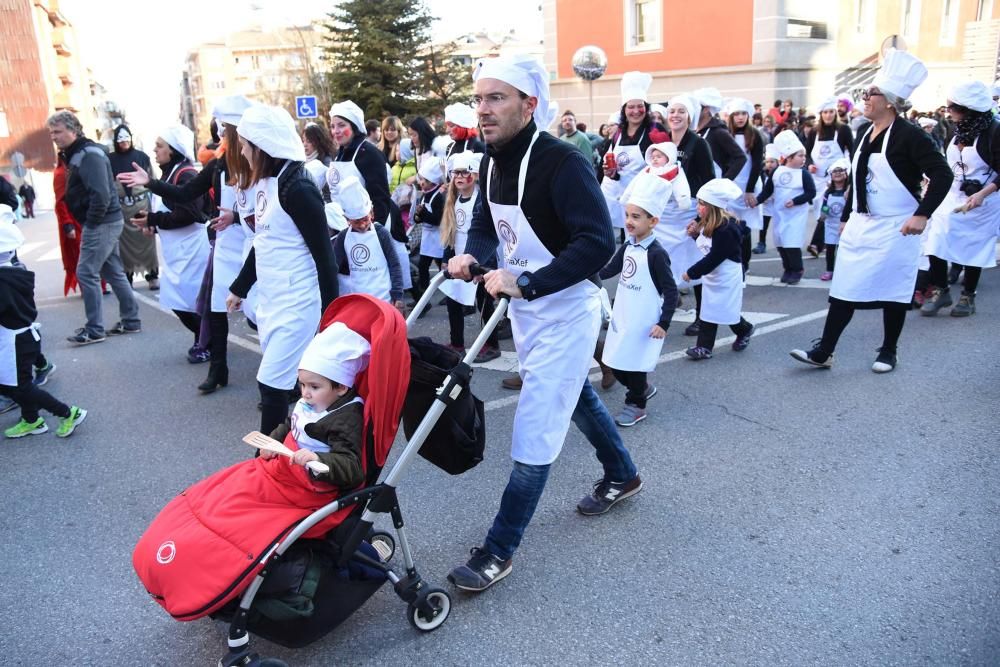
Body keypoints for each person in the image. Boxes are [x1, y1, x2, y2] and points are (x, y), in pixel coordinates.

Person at [446, 54, 642, 592]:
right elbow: (487, 225)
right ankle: (622, 474)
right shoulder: (490, 160)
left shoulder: (562, 161)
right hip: (531, 311)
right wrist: (473, 255)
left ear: (529, 104)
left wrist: (526, 283)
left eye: (497, 98)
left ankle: (499, 548)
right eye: (479, 99)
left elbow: (598, 243)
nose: (483, 110)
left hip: (567, 310)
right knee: (572, 394)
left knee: (535, 428)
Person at [790, 49, 951, 373]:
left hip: (897, 225)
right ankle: (824, 351)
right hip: (863, 224)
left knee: (894, 290)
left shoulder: (911, 136)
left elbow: (943, 174)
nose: (864, 98)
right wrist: (850, 214)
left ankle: (889, 351)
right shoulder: (865, 132)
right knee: (843, 288)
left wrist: (921, 214)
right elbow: (859, 179)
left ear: (890, 100)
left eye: (870, 93)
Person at [117, 95, 255, 392]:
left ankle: (287, 375)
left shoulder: (258, 162)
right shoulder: (218, 166)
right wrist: (150, 182)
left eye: (223, 129)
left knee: (260, 314)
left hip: (254, 245)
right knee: (217, 309)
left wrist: (239, 217)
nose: (218, 135)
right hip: (225, 244)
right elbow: (185, 194)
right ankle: (218, 370)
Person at [228, 104, 338, 434]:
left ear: (262, 146)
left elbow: (325, 258)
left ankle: (267, 459)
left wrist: (332, 315)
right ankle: (300, 450)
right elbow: (264, 243)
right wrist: (240, 287)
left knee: (272, 384)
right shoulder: (267, 184)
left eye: (246, 146)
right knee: (296, 384)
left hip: (298, 303)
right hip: (273, 302)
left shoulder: (298, 188)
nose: (243, 152)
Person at [46, 111, 140, 345]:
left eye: (57, 131)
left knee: (86, 272)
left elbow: (101, 193)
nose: (53, 136)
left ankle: (95, 329)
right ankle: (131, 320)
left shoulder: (88, 154)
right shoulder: (80, 153)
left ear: (73, 130)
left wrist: (92, 221)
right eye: (51, 132)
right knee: (113, 272)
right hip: (104, 220)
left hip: (101, 222)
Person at [0, 206, 88, 439]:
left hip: (15, 342)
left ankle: (67, 412)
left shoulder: (3, 281)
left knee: (19, 386)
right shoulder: (14, 272)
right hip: (23, 339)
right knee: (16, 383)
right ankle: (32, 419)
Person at [599, 175, 677, 427]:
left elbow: (671, 291)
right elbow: (611, 269)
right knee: (614, 360)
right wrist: (585, 274)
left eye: (636, 217)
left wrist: (664, 323)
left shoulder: (657, 254)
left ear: (653, 221)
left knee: (632, 363)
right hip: (623, 314)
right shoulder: (628, 246)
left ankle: (637, 404)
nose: (629, 222)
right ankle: (641, 388)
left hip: (643, 319)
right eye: (628, 216)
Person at [130, 126, 212, 360]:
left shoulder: (185, 174)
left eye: (159, 146)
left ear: (173, 150)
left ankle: (207, 342)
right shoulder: (169, 173)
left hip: (192, 251)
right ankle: (205, 339)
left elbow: (188, 213)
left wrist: (153, 219)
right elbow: (169, 209)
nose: (154, 150)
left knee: (193, 302)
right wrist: (152, 224)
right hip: (178, 251)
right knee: (178, 300)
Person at [921, 80, 1000, 317]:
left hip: (984, 200)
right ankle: (941, 290)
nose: (948, 112)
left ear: (968, 109)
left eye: (952, 107)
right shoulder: (956, 132)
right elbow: (948, 165)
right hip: (953, 195)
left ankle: (968, 295)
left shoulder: (994, 132)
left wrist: (982, 193)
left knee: (973, 246)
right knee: (935, 240)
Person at [260, 321, 369, 489]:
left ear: (341, 387)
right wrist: (273, 440)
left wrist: (317, 458)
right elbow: (292, 423)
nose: (305, 393)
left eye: (314, 387)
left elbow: (352, 467)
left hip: (313, 483)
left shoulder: (345, 418)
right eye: (302, 384)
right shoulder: (316, 398)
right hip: (289, 467)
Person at [438, 151, 501, 362]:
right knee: (452, 301)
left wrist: (484, 266)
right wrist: (447, 258)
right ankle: (457, 343)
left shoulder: (482, 198)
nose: (459, 177)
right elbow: (450, 232)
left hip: (480, 261)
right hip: (458, 259)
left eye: (464, 172)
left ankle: (492, 345)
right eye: (456, 173)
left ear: (474, 175)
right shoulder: (452, 200)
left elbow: (488, 235)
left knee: (484, 304)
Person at [682, 179, 755, 359]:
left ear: (713, 206)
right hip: (714, 275)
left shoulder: (726, 229)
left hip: (727, 275)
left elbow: (715, 257)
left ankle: (744, 329)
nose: (698, 207)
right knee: (709, 310)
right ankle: (704, 347)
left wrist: (691, 272)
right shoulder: (709, 225)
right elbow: (708, 248)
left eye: (701, 203)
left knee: (726, 311)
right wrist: (694, 235)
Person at [664, 94, 715, 336]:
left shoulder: (699, 144)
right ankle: (663, 309)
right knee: (665, 263)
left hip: (692, 211)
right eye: (672, 111)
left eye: (681, 111)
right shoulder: (663, 143)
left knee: (695, 265)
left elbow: (708, 182)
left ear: (690, 116)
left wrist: (700, 219)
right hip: (667, 214)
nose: (675, 115)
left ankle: (702, 318)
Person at [600, 71, 668, 236]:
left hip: (645, 200)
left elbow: (665, 166)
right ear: (624, 110)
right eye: (631, 107)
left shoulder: (654, 130)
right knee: (627, 239)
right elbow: (617, 170)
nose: (636, 111)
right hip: (622, 198)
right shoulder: (618, 133)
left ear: (646, 108)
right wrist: (611, 173)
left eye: (640, 106)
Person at [332, 176, 404, 309]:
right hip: (358, 299)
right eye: (356, 221)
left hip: (383, 298)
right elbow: (333, 266)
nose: (362, 224)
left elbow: (394, 265)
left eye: (365, 219)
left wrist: (397, 295)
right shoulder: (343, 237)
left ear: (371, 212)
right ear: (347, 219)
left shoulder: (381, 233)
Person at [755, 130, 816, 284]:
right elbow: (768, 191)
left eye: (804, 155)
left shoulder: (804, 174)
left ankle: (797, 269)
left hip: (795, 215)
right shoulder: (777, 171)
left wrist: (796, 201)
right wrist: (756, 201)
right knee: (781, 242)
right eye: (800, 156)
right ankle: (787, 268)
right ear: (789, 157)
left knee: (792, 243)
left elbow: (811, 193)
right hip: (780, 214)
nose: (803, 159)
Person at [108, 124, 159, 290]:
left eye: (126, 139)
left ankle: (152, 275)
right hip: (122, 208)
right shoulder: (109, 159)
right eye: (120, 139)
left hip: (141, 204)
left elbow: (152, 180)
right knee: (124, 246)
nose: (124, 142)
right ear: (116, 141)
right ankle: (127, 276)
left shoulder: (142, 157)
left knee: (147, 240)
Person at [805, 97, 853, 244]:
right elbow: (807, 152)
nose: (828, 115)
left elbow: (852, 151)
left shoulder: (843, 130)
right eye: (825, 112)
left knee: (832, 210)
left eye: (831, 112)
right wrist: (810, 164)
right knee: (821, 210)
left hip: (837, 179)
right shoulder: (814, 132)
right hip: (818, 179)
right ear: (821, 114)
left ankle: (818, 243)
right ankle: (824, 242)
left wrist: (849, 176)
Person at [724, 97, 764, 272]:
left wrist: (749, 190)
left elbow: (756, 164)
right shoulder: (726, 135)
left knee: (745, 227)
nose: (740, 117)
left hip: (748, 184)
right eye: (736, 114)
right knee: (729, 225)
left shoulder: (754, 135)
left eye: (743, 114)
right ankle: (732, 259)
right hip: (730, 186)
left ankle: (744, 262)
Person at [412, 156, 446, 305]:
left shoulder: (439, 196)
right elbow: (420, 217)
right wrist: (418, 216)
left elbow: (438, 220)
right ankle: (423, 298)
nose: (421, 183)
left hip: (438, 238)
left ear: (433, 181)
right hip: (427, 238)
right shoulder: (425, 194)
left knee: (443, 268)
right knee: (423, 267)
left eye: (424, 181)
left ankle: (450, 294)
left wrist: (423, 214)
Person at [693, 87, 747, 180]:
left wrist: (725, 181)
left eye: (695, 106)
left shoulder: (718, 132)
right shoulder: (694, 131)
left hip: (714, 188)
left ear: (706, 109)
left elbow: (740, 157)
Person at [815, 159, 851, 281]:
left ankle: (843, 271)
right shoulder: (828, 192)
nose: (837, 173)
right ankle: (829, 270)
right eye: (834, 171)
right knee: (830, 249)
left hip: (845, 225)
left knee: (844, 249)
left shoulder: (849, 192)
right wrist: (823, 214)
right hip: (830, 225)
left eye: (840, 170)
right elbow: (825, 205)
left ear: (846, 174)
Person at [752, 144, 780, 254]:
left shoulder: (780, 174)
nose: (769, 164)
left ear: (777, 163)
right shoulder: (762, 174)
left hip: (778, 203)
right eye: (767, 162)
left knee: (779, 225)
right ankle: (761, 243)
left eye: (772, 162)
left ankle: (781, 244)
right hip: (766, 204)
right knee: (763, 226)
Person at [302, 122, 336, 202]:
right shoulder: (302, 160)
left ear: (318, 142)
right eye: (303, 140)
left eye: (309, 141)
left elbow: (329, 191)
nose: (305, 144)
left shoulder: (327, 162)